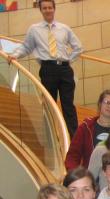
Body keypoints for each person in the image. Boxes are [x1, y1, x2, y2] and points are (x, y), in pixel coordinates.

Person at [7, 0, 82, 137]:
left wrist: (67, 60)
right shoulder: (34, 29)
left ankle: (75, 139)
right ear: (40, 10)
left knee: (68, 106)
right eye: (45, 8)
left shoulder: (64, 28)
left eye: (50, 7)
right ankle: (51, 139)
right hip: (48, 70)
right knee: (49, 107)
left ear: (54, 9)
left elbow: (78, 48)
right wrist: (14, 55)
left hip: (65, 70)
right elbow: (26, 47)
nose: (48, 10)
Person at [65, 90, 110, 170]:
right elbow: (72, 157)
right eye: (107, 102)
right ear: (100, 104)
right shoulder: (85, 127)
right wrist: (77, 175)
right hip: (91, 175)